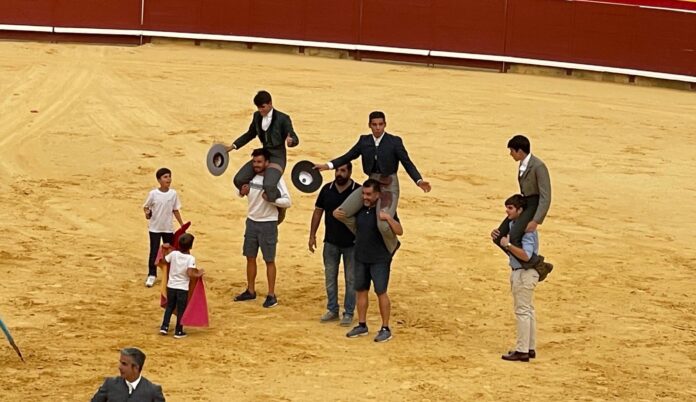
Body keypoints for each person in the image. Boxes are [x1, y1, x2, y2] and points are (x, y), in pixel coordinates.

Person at [315, 111, 430, 255]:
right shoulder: (364, 141)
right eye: (374, 124)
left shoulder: (394, 142)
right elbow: (348, 156)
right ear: (369, 125)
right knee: (340, 213)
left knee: (383, 225)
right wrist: (328, 166)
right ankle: (365, 237)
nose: (378, 128)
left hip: (389, 185)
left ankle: (392, 245)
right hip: (372, 183)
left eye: (380, 124)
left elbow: (407, 163)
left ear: (385, 125)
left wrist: (419, 181)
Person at [338, 179, 402, 343]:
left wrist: (389, 218)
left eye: (369, 194)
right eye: (363, 194)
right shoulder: (360, 210)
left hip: (379, 259)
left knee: (381, 292)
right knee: (361, 291)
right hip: (361, 257)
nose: (365, 197)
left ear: (377, 194)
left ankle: (385, 328)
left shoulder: (385, 211)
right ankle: (362, 324)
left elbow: (399, 231)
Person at [225, 90, 298, 222]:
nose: (260, 110)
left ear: (270, 104)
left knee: (269, 186)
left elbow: (294, 136)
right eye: (258, 107)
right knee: (239, 180)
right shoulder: (257, 116)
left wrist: (291, 141)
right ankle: (255, 197)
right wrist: (233, 146)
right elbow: (250, 134)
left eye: (262, 107)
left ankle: (280, 207)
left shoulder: (283, 118)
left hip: (277, 157)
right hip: (264, 155)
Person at [233, 148, 292, 308]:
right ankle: (250, 290)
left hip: (268, 223)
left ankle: (271, 295)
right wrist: (241, 192)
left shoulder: (275, 179)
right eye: (254, 162)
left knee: (269, 260)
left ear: (267, 162)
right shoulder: (250, 176)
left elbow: (288, 201)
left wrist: (272, 200)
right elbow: (240, 191)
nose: (256, 165)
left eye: (259, 162)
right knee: (250, 257)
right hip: (251, 221)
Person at [309, 163, 361, 326]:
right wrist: (312, 235)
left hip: (352, 243)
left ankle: (349, 312)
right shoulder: (327, 189)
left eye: (343, 170)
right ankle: (332, 309)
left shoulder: (358, 191)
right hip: (330, 241)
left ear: (350, 172)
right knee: (330, 278)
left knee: (351, 280)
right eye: (337, 170)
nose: (339, 173)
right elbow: (318, 212)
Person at [493, 194, 540, 362]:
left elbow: (526, 255)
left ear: (520, 210)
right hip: (522, 272)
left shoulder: (526, 229)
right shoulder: (514, 226)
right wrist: (499, 239)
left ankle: (522, 350)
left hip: (524, 274)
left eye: (510, 208)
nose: (507, 211)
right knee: (528, 310)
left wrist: (508, 245)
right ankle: (530, 347)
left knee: (523, 311)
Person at [492, 135, 551, 253]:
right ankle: (520, 260)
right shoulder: (523, 163)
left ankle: (532, 261)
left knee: (514, 236)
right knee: (498, 236)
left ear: (519, 151)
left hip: (533, 204)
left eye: (512, 151)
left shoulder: (538, 166)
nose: (511, 154)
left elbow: (546, 196)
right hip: (524, 203)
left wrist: (536, 221)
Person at [143, 168, 184, 288]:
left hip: (168, 228)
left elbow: (175, 210)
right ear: (159, 180)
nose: (168, 179)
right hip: (155, 228)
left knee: (170, 252)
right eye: (165, 177)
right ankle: (152, 274)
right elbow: (146, 207)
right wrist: (147, 213)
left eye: (169, 176)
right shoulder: (153, 194)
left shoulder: (173, 194)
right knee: (154, 251)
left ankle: (171, 274)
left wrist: (182, 224)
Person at [160, 233, 204, 339]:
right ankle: (178, 331)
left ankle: (164, 326)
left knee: (170, 307)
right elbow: (190, 273)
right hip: (182, 289)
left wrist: (165, 250)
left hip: (171, 286)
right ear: (191, 246)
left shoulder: (173, 254)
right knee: (181, 310)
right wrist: (199, 273)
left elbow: (164, 260)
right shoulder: (190, 258)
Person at [91, 347, 165, 402]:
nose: (120, 367)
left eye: (124, 364)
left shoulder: (153, 391)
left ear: (136, 368)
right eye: (120, 363)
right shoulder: (110, 384)